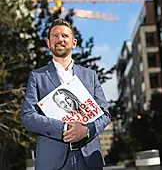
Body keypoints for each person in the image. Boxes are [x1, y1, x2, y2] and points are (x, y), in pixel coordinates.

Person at [21, 18, 111, 170]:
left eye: (64, 36)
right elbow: (27, 117)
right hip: (52, 161)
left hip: (88, 159)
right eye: (54, 36)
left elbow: (105, 114)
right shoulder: (37, 77)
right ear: (48, 44)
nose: (59, 39)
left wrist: (86, 130)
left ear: (74, 43)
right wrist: (64, 128)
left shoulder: (91, 76)